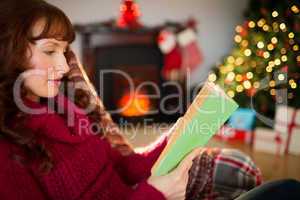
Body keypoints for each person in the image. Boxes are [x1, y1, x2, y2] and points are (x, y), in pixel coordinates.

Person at [0, 0, 261, 199]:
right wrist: (154, 194)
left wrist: (179, 133)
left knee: (263, 179)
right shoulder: (9, 150)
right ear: (9, 51)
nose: (65, 66)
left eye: (64, 51)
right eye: (49, 50)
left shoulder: (66, 107)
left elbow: (123, 166)